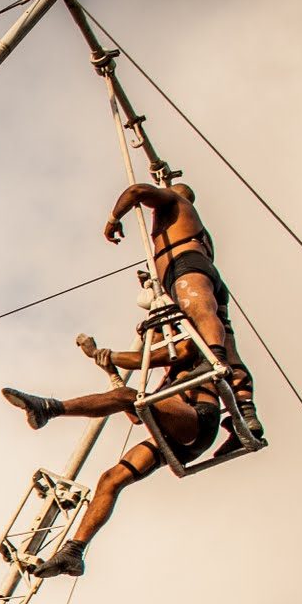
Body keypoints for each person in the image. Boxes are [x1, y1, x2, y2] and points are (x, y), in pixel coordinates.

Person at [0, 333, 223, 578]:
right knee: (110, 479)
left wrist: (98, 354)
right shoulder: (169, 382)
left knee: (130, 396)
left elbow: (144, 364)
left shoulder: (192, 345)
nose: (152, 340)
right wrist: (112, 373)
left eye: (153, 335)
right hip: (174, 437)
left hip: (198, 421)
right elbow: (136, 416)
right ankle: (74, 551)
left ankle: (50, 408)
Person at [102, 181, 262, 438]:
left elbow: (137, 191)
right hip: (202, 273)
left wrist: (113, 219)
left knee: (199, 311)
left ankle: (214, 361)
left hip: (186, 268)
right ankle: (245, 410)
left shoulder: (174, 202)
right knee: (227, 340)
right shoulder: (198, 231)